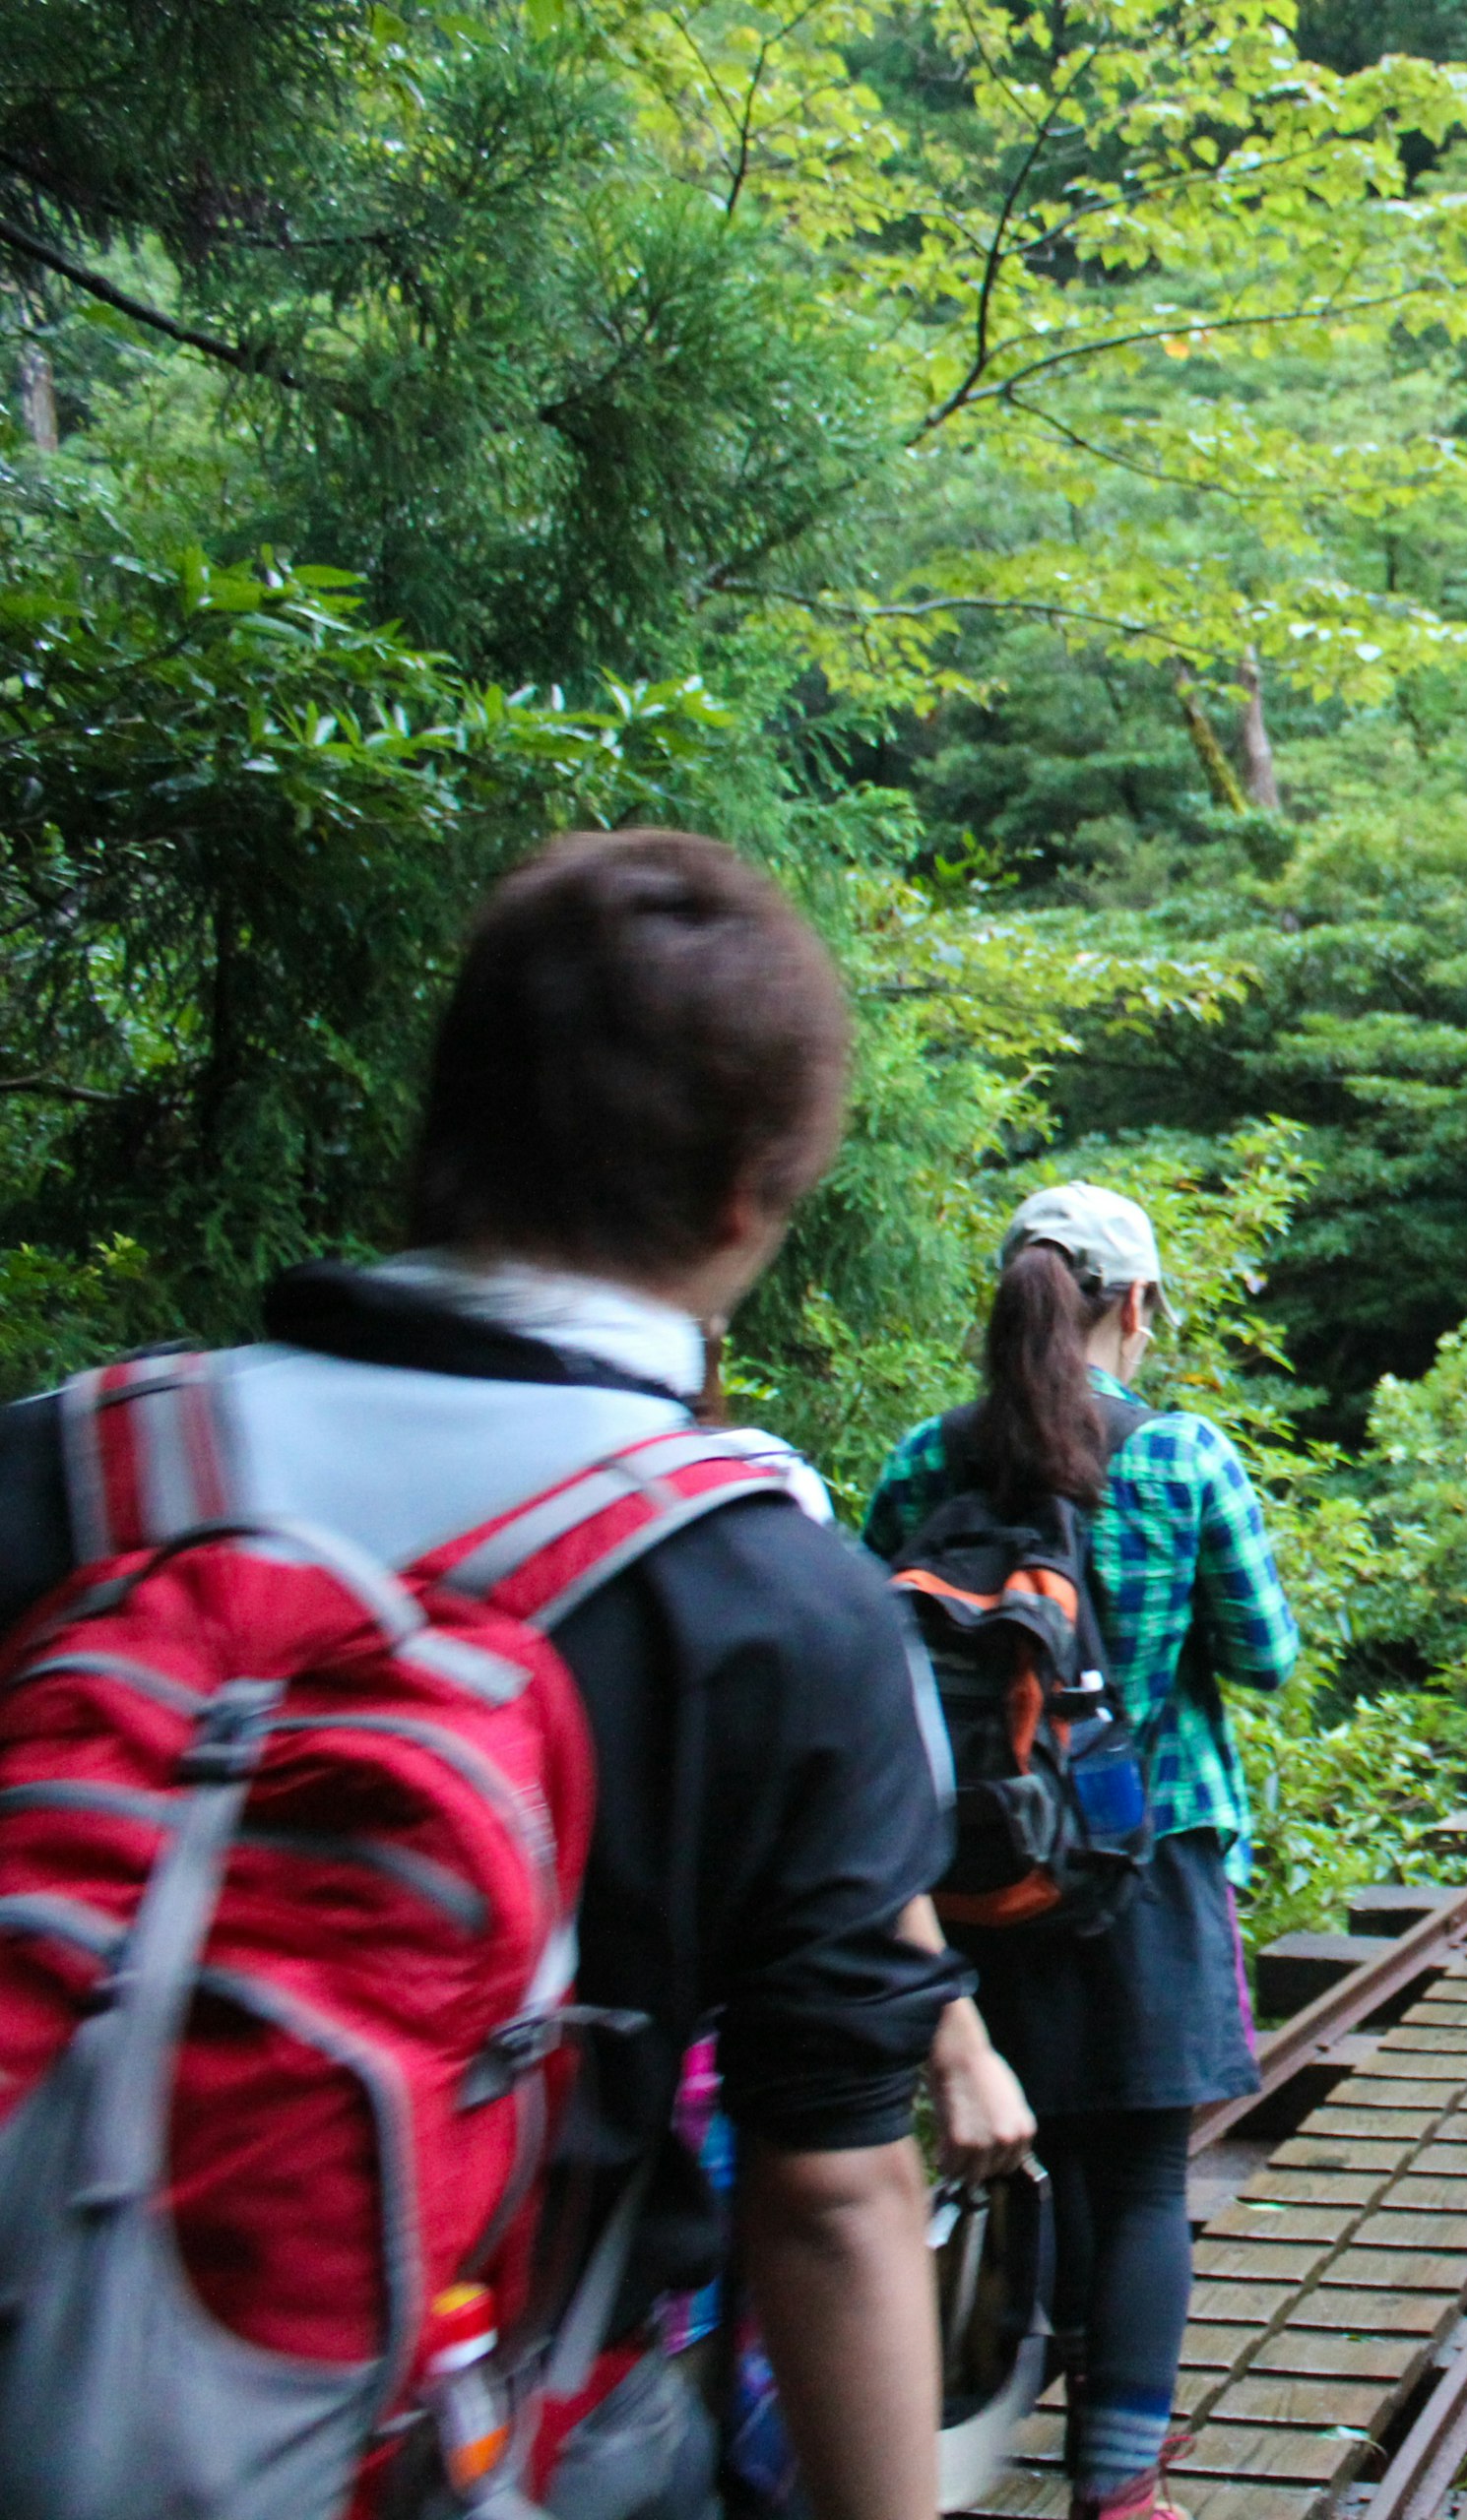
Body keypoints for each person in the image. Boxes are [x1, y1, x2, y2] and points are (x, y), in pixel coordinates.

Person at [0, 829, 973, 2520]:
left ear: (442, 1128)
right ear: (754, 1193)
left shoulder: (71, 1471)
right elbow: (826, 2197)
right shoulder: (779, 1603)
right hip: (482, 2449)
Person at [866, 1183, 1303, 2520]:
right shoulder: (1180, 1459)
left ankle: (970, 2434)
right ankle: (1115, 2487)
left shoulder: (922, 1463)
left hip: (971, 1873)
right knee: (1139, 2177)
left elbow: (875, 1670)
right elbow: (1266, 1656)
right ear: (1135, 1306)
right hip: (1149, 1854)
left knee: (1016, 2154)